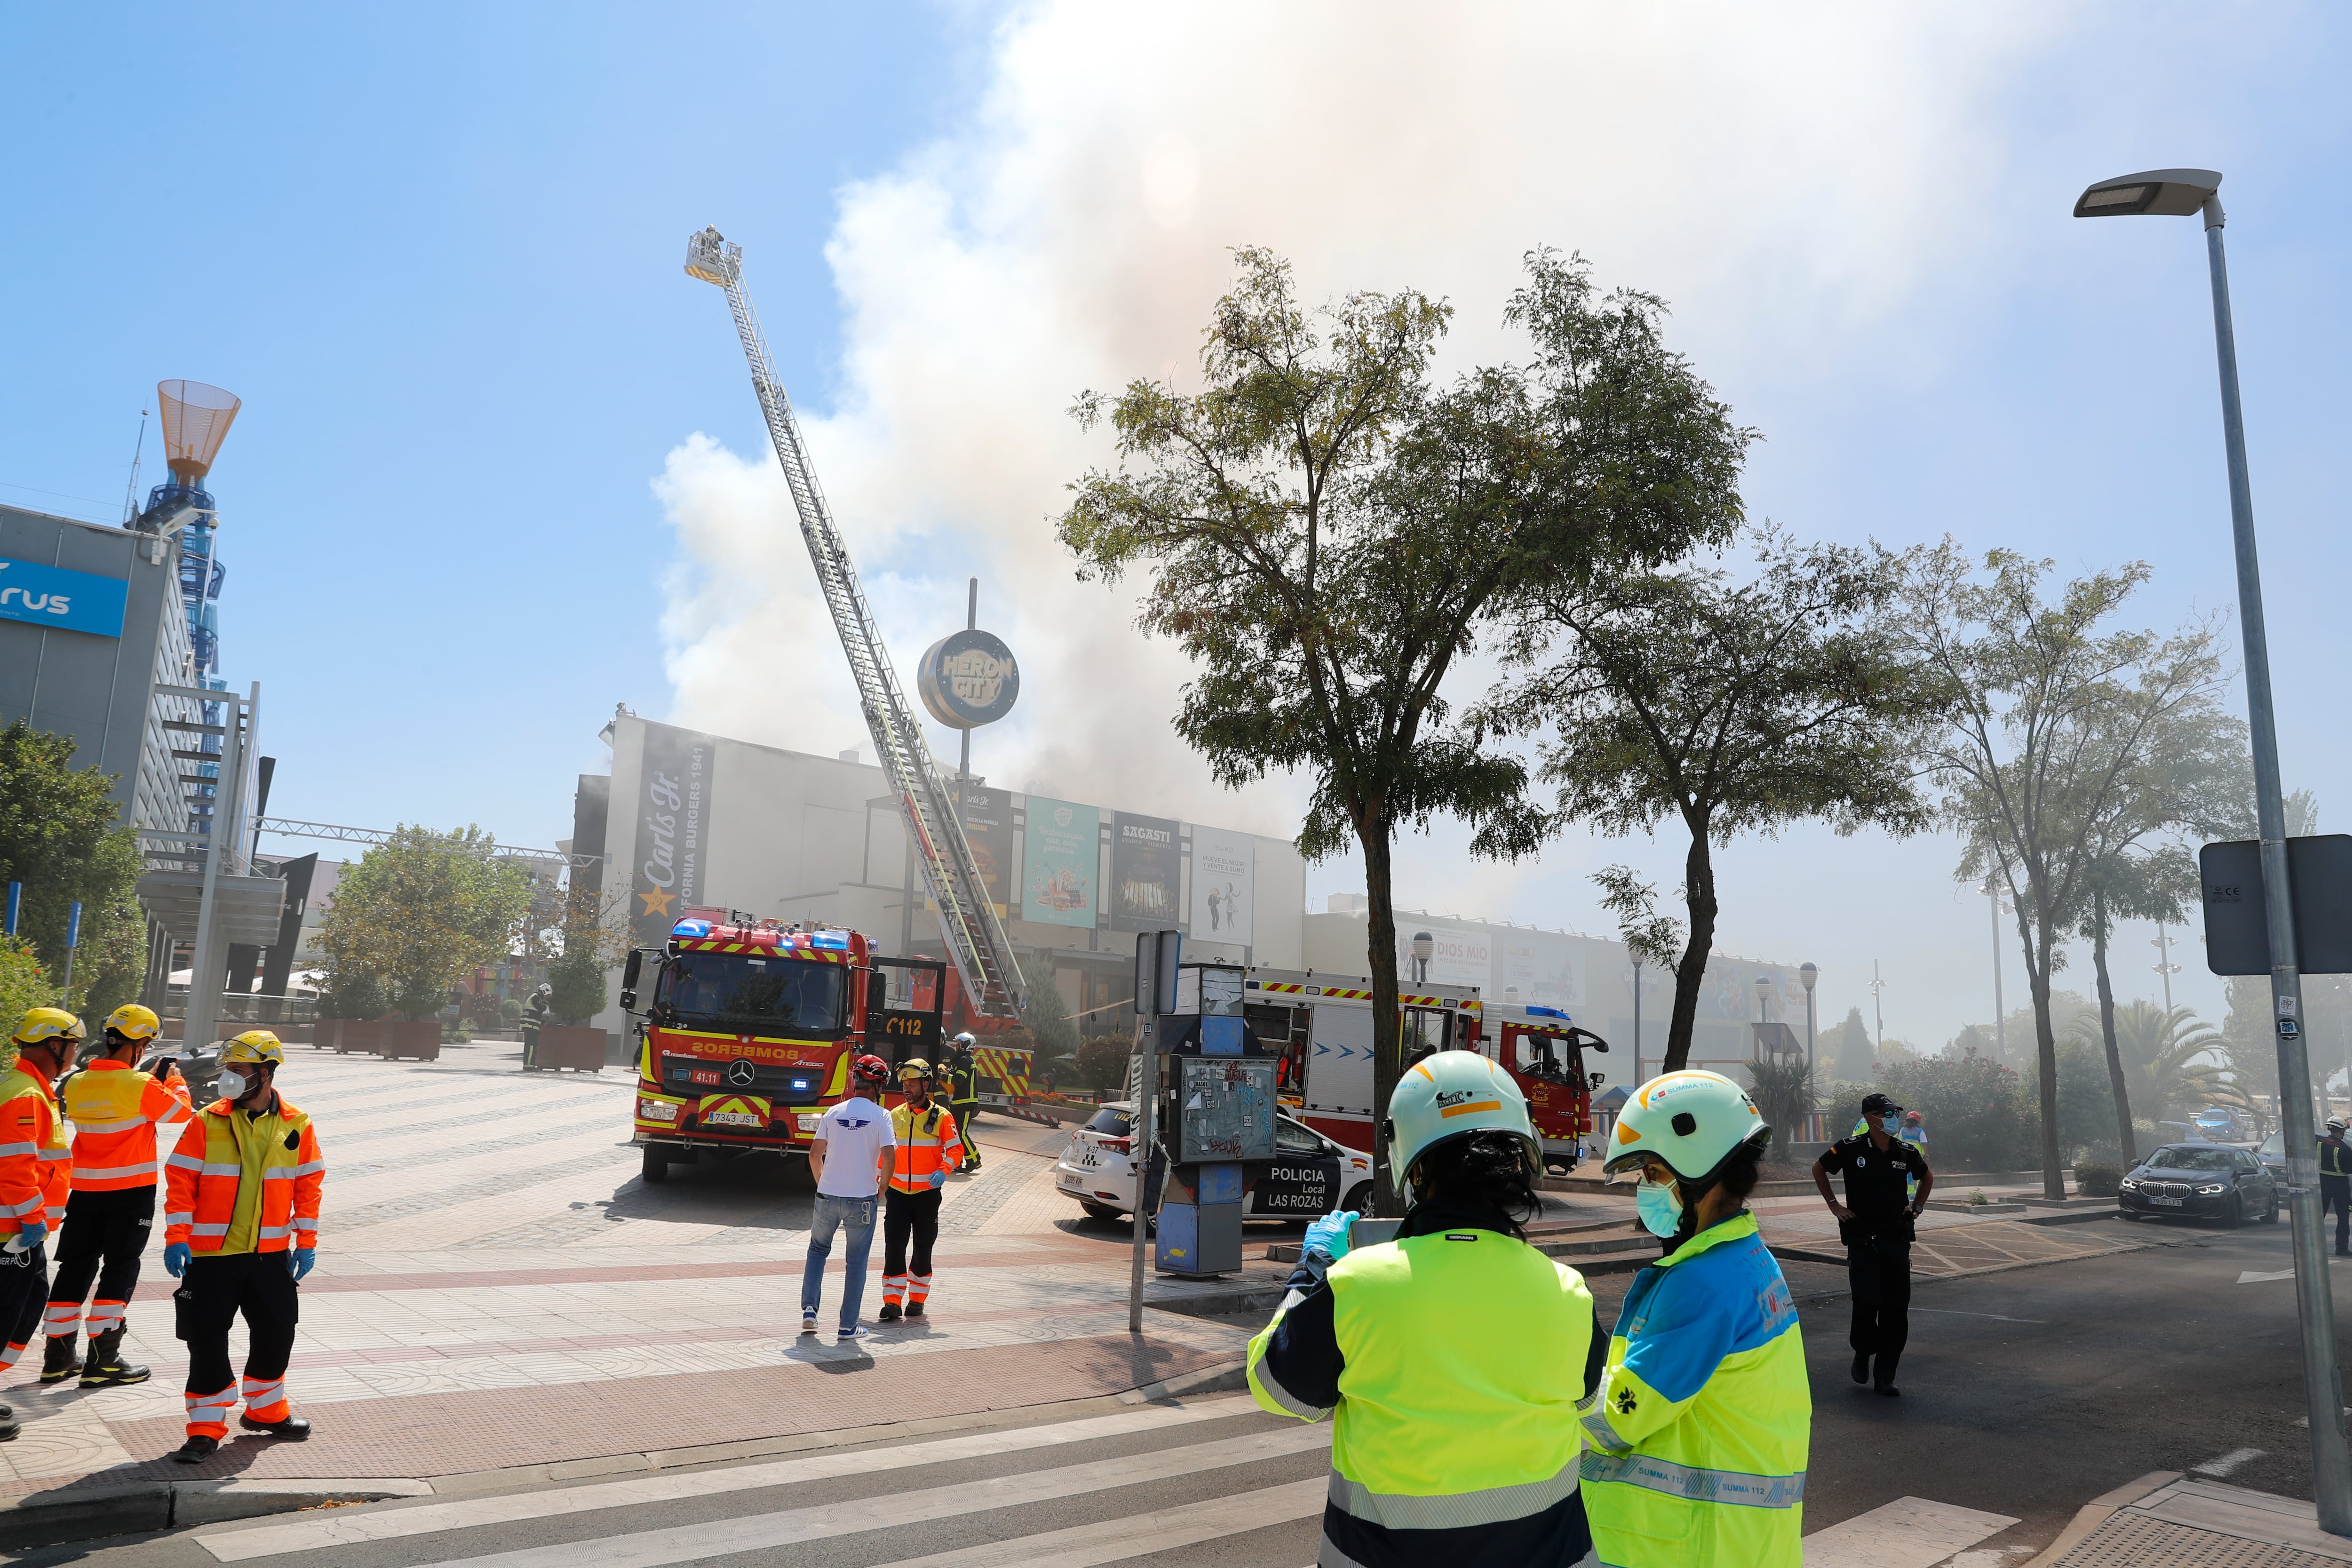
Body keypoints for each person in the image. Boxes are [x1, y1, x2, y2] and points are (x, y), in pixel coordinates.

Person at [1248, 1052, 1604, 1566]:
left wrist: (1311, 1270)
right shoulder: (1568, 1291)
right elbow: (1584, 1400)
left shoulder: (1357, 1286)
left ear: (1410, 1162)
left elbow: (1276, 1387)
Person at [1582, 1069, 1810, 1566]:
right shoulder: (1746, 1257)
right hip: (1742, 1540)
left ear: (1695, 1166)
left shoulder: (1701, 1284)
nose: (1644, 1190)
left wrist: (1564, 1355)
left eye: (1651, 1173)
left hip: (1691, 1545)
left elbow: (1620, 1420)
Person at [162, 1030, 325, 1463]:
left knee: (277, 1333)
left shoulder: (297, 1123)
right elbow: (180, 1182)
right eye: (227, 1070)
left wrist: (305, 1242)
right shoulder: (205, 1121)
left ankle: (267, 1411)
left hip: (270, 1255)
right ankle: (204, 1428)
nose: (229, 1079)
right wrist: (177, 1235)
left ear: (266, 1073)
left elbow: (309, 1186)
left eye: (239, 1070)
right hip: (211, 1257)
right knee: (206, 1338)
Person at [42, 1003, 191, 1388]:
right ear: (141, 1045)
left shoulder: (76, 1082)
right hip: (130, 1194)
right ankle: (103, 1359)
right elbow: (182, 1112)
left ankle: (57, 1358)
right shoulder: (142, 1086)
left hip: (84, 1191)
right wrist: (172, 1079)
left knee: (74, 1268)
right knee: (120, 1268)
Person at [1813, 1090, 1932, 1396]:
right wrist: (1834, 1205)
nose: (1893, 1118)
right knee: (1867, 1302)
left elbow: (1927, 1177)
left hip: (1895, 1236)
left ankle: (1886, 1374)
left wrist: (1916, 1208)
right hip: (1862, 1237)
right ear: (1870, 1117)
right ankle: (1863, 1351)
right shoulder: (1851, 1148)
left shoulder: (1905, 1151)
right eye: (1887, 1114)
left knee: (1896, 1308)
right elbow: (1819, 1168)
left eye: (1894, 1113)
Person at [0, 1009, 78, 1441]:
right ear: (55, 1045)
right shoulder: (27, 1094)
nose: (73, 1053)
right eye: (72, 1045)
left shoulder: (25, 1088)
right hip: (12, 1232)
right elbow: (14, 1168)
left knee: (27, 1306)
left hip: (20, 1231)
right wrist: (32, 1220)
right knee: (7, 1314)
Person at [802, 1054, 894, 1344]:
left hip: (828, 1195)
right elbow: (890, 1158)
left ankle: (809, 1311)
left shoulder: (833, 1112)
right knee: (856, 1262)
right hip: (862, 1200)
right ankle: (847, 1326)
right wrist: (882, 1190)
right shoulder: (882, 1116)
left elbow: (815, 1154)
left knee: (818, 1250)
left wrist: (824, 1184)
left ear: (856, 1081)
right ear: (879, 1085)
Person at [879, 1059, 964, 1322]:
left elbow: (956, 1150)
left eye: (912, 1084)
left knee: (923, 1247)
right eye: (904, 1084)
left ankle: (917, 1300)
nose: (907, 1089)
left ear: (925, 1085)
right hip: (897, 1194)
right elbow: (884, 1155)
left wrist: (944, 1170)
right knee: (894, 1247)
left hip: (927, 1195)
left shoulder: (943, 1117)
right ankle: (892, 1302)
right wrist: (877, 1180)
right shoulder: (894, 1116)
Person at [945, 1034, 982, 1172]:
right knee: (957, 1134)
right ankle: (958, 1162)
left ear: (965, 1045)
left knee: (961, 1133)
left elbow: (959, 1079)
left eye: (959, 1044)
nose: (957, 1047)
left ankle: (974, 1161)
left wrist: (943, 1076)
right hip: (959, 1102)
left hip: (966, 1102)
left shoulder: (965, 1060)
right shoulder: (963, 1060)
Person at [2321, 1116, 2351, 1258]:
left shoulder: (2317, 1142)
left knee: (2317, 1216)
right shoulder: (2344, 1149)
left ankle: (2312, 1246)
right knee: (2343, 1218)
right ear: (2342, 1131)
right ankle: (2341, 1248)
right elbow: (2349, 1169)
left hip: (2321, 1183)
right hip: (2340, 1185)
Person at [520, 984, 551, 1071]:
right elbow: (541, 1008)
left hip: (532, 1026)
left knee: (533, 1046)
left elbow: (536, 1013)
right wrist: (545, 1005)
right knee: (531, 1046)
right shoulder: (536, 997)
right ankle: (529, 1065)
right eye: (547, 995)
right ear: (545, 991)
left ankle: (530, 1064)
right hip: (531, 1026)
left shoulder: (537, 998)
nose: (547, 997)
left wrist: (543, 1022)